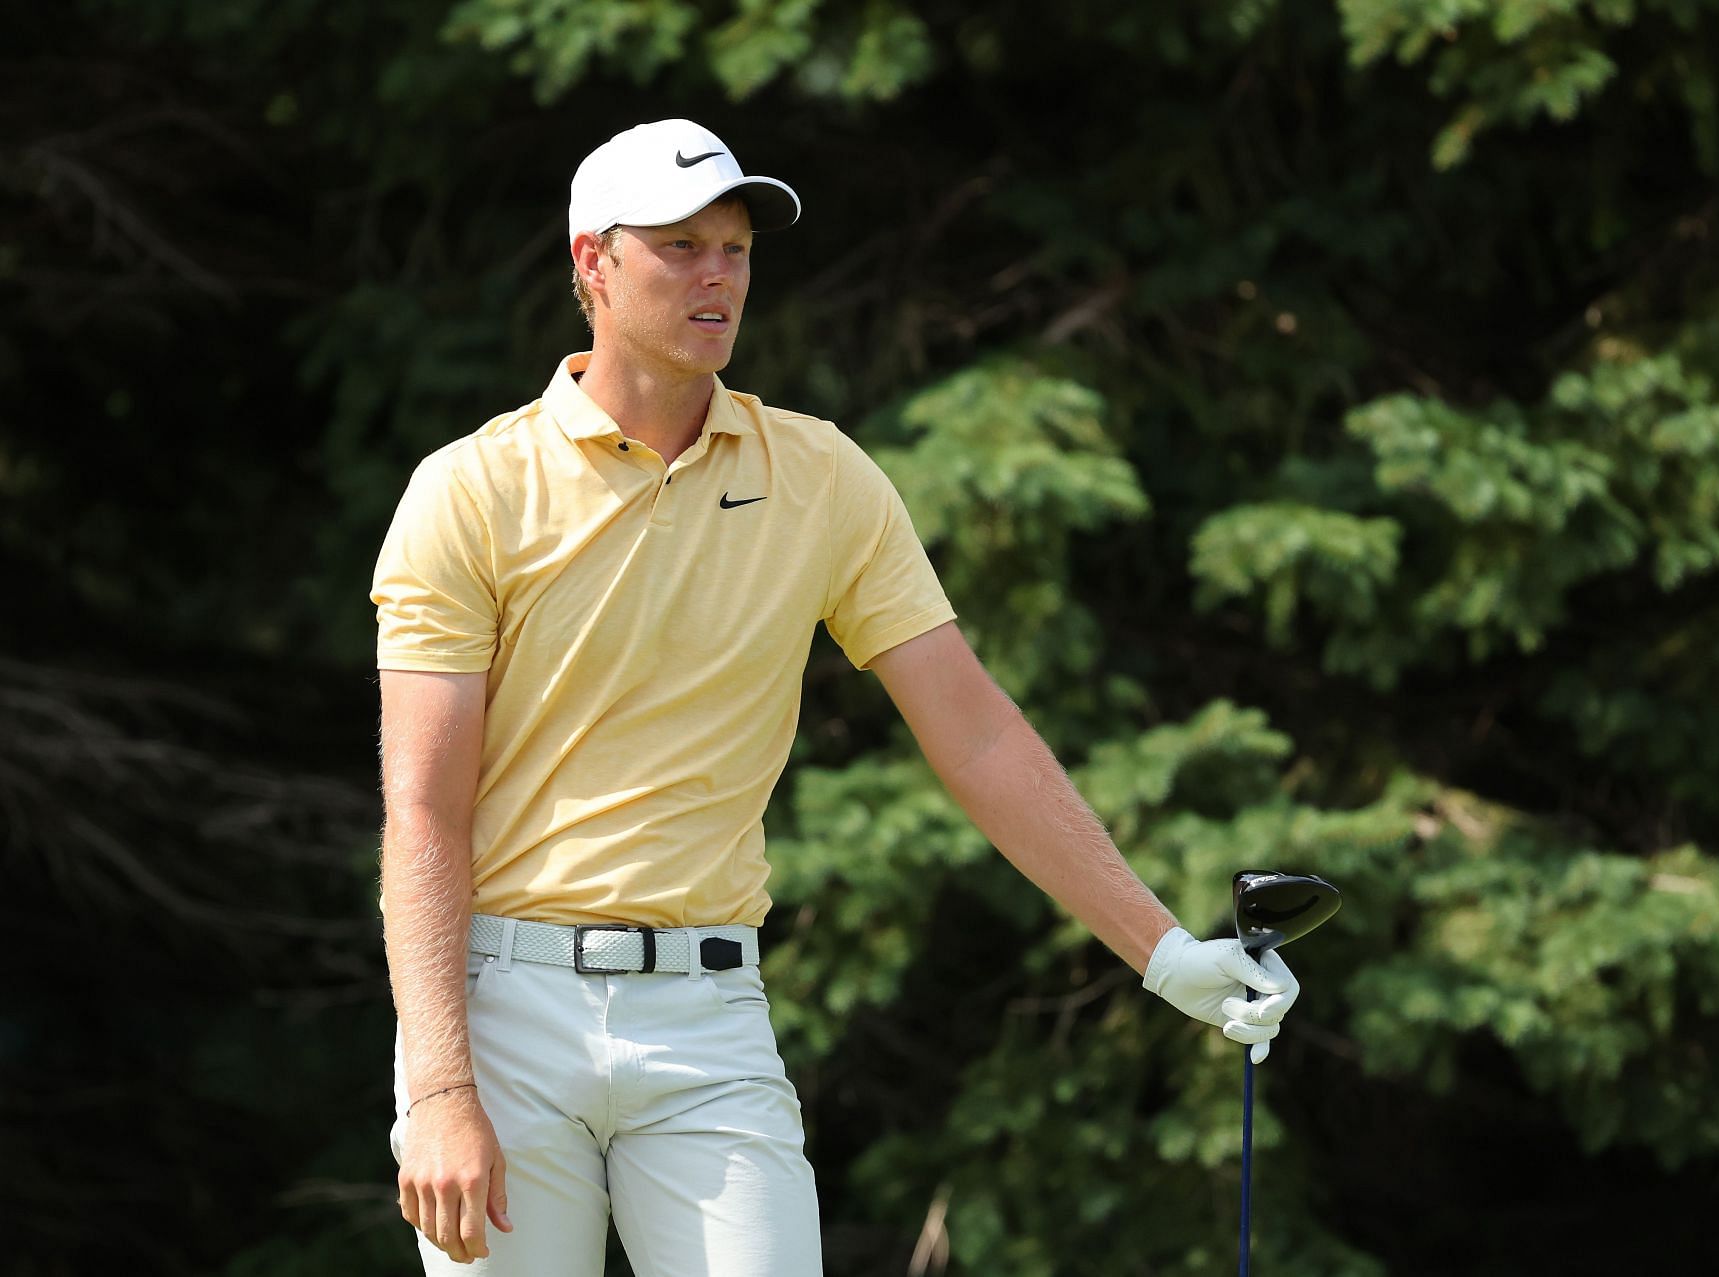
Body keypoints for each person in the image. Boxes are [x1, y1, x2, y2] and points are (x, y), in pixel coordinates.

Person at [369, 118, 1300, 1276]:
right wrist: (441, 1083)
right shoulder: (470, 490)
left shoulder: (820, 477)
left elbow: (978, 735)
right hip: (503, 1014)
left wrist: (1161, 951)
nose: (719, 275)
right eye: (681, 247)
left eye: (736, 248)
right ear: (592, 262)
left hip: (708, 1019)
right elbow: (424, 807)